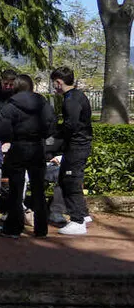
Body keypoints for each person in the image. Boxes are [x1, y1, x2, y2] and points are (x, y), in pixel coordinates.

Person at [0, 74, 54, 239]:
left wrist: (12, 138)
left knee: (16, 189)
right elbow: (51, 126)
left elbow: (2, 131)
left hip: (18, 147)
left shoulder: (9, 106)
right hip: (37, 147)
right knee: (38, 189)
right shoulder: (43, 104)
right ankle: (41, 228)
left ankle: (13, 228)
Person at [50, 66, 93, 235]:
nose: (54, 86)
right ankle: (82, 214)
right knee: (66, 178)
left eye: (55, 83)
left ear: (59, 82)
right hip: (79, 145)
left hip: (76, 147)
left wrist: (55, 137)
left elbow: (71, 125)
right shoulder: (77, 96)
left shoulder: (71, 100)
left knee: (70, 180)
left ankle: (77, 220)